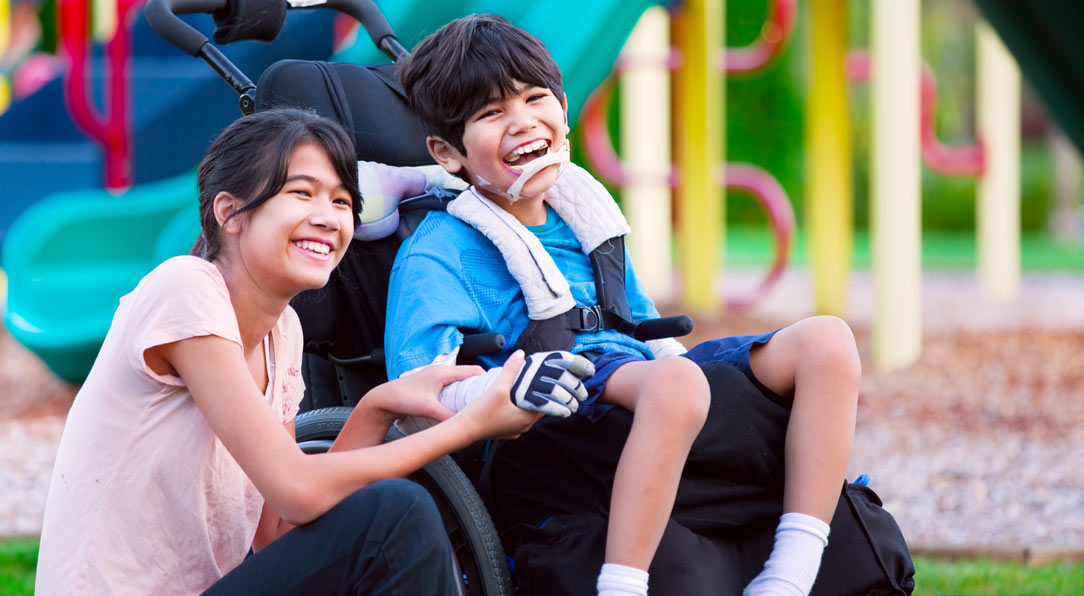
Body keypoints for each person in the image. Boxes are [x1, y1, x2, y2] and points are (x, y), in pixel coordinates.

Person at [385, 15, 861, 596]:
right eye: (490, 114)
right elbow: (416, 385)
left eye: (536, 98)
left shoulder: (584, 216)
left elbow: (642, 326)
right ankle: (623, 586)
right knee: (676, 385)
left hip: (632, 375)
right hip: (548, 405)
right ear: (447, 152)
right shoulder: (441, 249)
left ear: (562, 107)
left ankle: (790, 573)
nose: (522, 122)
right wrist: (497, 390)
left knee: (827, 341)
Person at [36, 108, 542, 596]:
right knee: (395, 514)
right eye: (302, 193)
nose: (328, 218)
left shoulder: (283, 332)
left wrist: (378, 406)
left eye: (343, 201)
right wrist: (470, 426)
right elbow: (298, 488)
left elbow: (279, 528)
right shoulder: (184, 288)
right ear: (230, 213)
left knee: (385, 523)